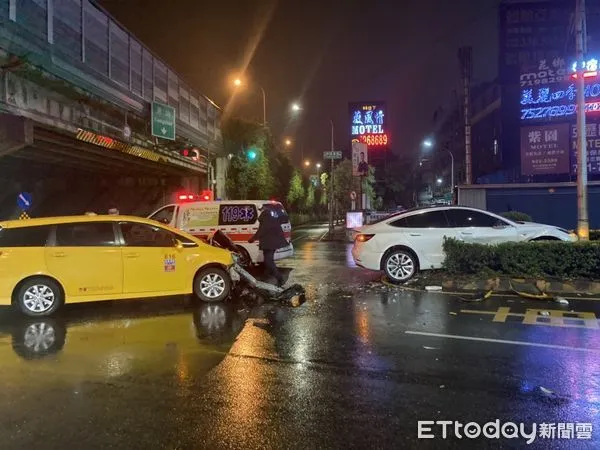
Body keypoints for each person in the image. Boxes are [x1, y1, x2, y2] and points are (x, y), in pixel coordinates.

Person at [248, 204, 289, 287]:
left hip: (270, 243)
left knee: (268, 261)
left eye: (260, 210)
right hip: (271, 243)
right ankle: (265, 276)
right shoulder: (269, 216)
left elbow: (262, 230)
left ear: (262, 210)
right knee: (267, 259)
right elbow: (262, 230)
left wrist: (252, 239)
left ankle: (279, 278)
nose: (259, 212)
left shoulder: (266, 217)